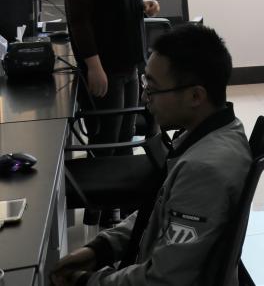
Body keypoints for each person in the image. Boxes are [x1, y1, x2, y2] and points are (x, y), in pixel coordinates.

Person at [50, 24, 252, 286]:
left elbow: (163, 280)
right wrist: (102, 248)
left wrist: (86, 282)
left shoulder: (203, 170)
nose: (145, 97)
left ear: (195, 96)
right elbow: (158, 210)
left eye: (153, 88)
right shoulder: (213, 132)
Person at [61, 0, 161, 227]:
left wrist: (143, 5)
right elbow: (80, 22)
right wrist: (94, 67)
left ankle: (120, 209)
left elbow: (118, 0)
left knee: (124, 136)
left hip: (129, 64)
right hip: (106, 68)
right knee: (107, 141)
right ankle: (103, 213)